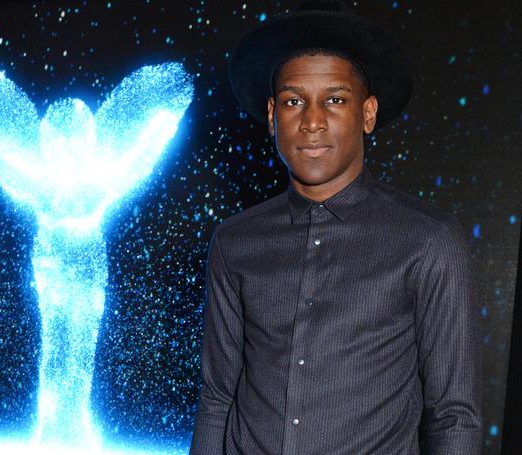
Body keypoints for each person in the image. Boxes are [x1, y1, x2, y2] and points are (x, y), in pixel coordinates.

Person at [190, 1, 482, 454]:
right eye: (293, 101)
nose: (312, 121)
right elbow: (217, 399)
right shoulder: (234, 242)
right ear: (272, 115)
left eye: (335, 99)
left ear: (367, 113)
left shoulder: (429, 240)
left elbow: (454, 416)